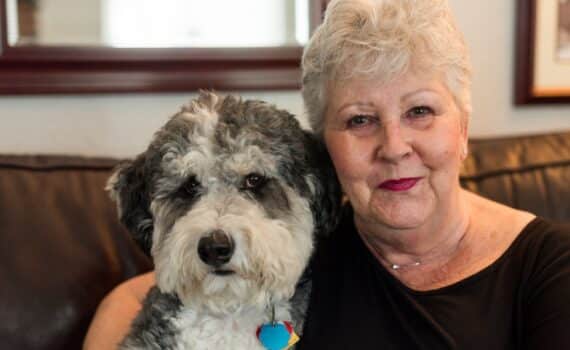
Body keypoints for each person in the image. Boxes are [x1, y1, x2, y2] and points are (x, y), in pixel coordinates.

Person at [84, 0, 570, 348]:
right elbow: (141, 294)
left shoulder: (549, 265)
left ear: (463, 126)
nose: (394, 146)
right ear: (324, 150)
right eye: (360, 119)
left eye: (420, 111)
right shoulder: (307, 246)